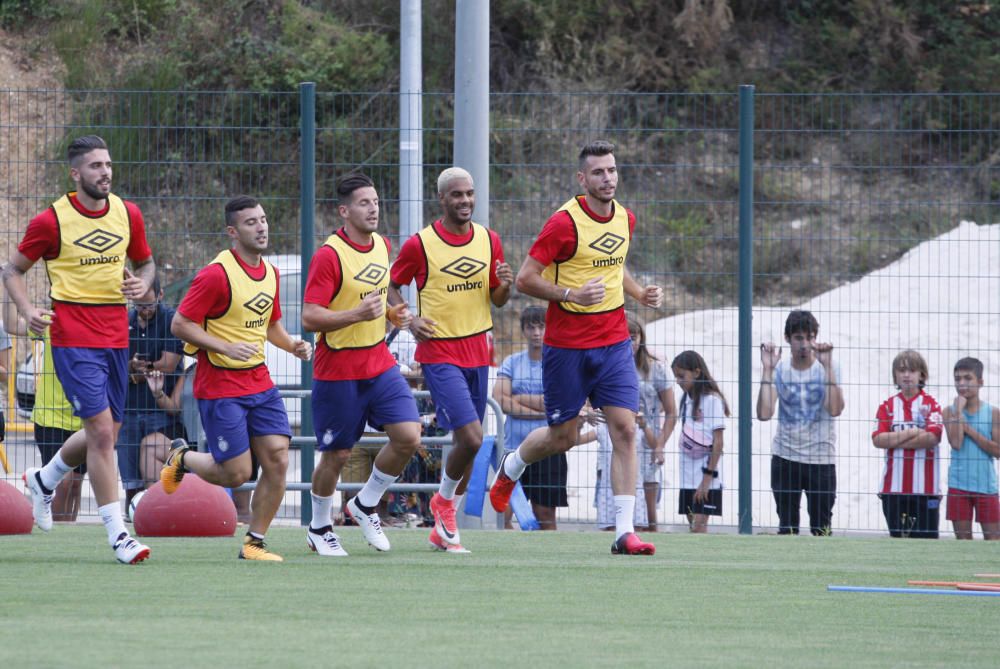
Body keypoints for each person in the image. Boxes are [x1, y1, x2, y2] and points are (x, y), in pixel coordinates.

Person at [489, 139, 663, 556]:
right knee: (563, 436)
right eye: (599, 172)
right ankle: (511, 466)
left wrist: (638, 292)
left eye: (612, 170)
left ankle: (624, 532)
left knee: (624, 427)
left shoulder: (625, 219)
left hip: (614, 343)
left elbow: (614, 265)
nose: (608, 178)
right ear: (582, 179)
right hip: (566, 347)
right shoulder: (563, 224)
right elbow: (528, 278)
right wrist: (570, 293)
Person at [3, 135, 155, 564]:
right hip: (72, 337)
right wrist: (29, 308)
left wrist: (142, 282)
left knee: (103, 433)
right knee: (103, 434)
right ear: (75, 174)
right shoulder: (52, 221)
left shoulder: (128, 213)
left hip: (116, 336)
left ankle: (43, 479)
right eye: (94, 166)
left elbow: (145, 262)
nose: (105, 172)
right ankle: (119, 535)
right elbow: (12, 270)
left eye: (108, 164)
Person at [161, 195, 312, 561]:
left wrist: (291, 344)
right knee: (236, 473)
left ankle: (254, 543)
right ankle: (182, 458)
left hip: (259, 381)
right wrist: (224, 347)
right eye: (251, 223)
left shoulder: (271, 273)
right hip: (220, 385)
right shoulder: (216, 274)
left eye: (263, 220)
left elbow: (270, 324)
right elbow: (180, 324)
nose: (261, 227)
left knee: (278, 458)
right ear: (233, 232)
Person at [388, 166, 512, 553]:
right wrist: (409, 320)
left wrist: (505, 283)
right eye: (457, 195)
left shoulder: (489, 240)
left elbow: (498, 298)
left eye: (470, 194)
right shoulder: (420, 245)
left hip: (479, 350)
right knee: (473, 436)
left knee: (468, 444)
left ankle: (443, 525)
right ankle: (443, 503)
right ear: (442, 199)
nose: (465, 201)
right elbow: (390, 286)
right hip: (439, 352)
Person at [300, 172, 421, 557]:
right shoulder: (329, 255)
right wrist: (355, 315)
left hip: (379, 364)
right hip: (338, 370)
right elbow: (309, 317)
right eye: (364, 203)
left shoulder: (383, 246)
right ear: (345, 210)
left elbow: (376, 296)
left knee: (409, 435)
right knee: (335, 455)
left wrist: (391, 313)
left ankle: (365, 504)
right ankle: (319, 527)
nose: (373, 209)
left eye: (376, 202)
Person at [756, 309, 844, 536]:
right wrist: (767, 370)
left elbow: (835, 409)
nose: (805, 344)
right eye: (799, 338)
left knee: (822, 529)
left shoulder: (829, 367)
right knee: (787, 528)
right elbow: (764, 413)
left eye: (810, 337)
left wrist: (828, 368)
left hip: (821, 458)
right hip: (786, 457)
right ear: (788, 339)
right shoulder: (780, 369)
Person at [3, 298, 85, 521]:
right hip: (51, 418)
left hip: (84, 418)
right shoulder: (49, 321)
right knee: (63, 482)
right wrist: (10, 287)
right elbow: (11, 325)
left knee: (76, 484)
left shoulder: (93, 324)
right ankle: (57, 534)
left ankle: (70, 533)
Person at [493, 305, 567, 530]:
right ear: (523, 330)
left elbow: (563, 404)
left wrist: (519, 397)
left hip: (549, 449)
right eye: (531, 327)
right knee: (503, 513)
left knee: (545, 516)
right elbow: (500, 400)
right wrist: (543, 411)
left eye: (541, 327)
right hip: (512, 449)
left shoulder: (560, 362)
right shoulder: (512, 362)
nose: (536, 333)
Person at [117, 276, 183, 515]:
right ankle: (132, 513)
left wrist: (136, 370)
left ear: (160, 295)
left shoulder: (171, 321)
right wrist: (132, 368)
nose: (143, 311)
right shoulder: (126, 321)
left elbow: (168, 364)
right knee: (129, 475)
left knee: (154, 465)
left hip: (161, 410)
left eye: (148, 305)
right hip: (129, 408)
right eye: (139, 306)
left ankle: (158, 511)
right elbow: (116, 363)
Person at [871, 349, 943, 539]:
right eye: (901, 370)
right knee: (898, 546)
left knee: (926, 545)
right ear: (895, 375)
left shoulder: (931, 404)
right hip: (893, 491)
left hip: (926, 491)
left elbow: (933, 437)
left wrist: (894, 439)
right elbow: (878, 439)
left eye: (912, 370)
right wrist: (913, 431)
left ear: (922, 375)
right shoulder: (887, 406)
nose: (906, 375)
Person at [941, 357, 1000, 540]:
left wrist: (969, 430)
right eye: (957, 379)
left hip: (986, 486)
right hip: (958, 485)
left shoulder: (993, 412)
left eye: (968, 378)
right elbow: (956, 443)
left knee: (993, 543)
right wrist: (958, 413)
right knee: (963, 544)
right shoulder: (949, 411)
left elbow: (998, 451)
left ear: (980, 382)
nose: (962, 383)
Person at [628, 314, 677, 531]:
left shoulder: (656, 368)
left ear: (641, 338)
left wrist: (660, 445)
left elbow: (671, 411)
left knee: (649, 516)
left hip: (648, 438)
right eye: (624, 337)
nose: (630, 342)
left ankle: (652, 531)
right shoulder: (609, 365)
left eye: (633, 336)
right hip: (621, 438)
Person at [672, 350, 728, 533]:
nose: (678, 381)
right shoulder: (686, 400)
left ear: (696, 372)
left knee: (699, 528)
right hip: (687, 477)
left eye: (682, 376)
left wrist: (706, 481)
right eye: (676, 377)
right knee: (692, 527)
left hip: (705, 479)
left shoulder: (712, 400)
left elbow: (718, 443)